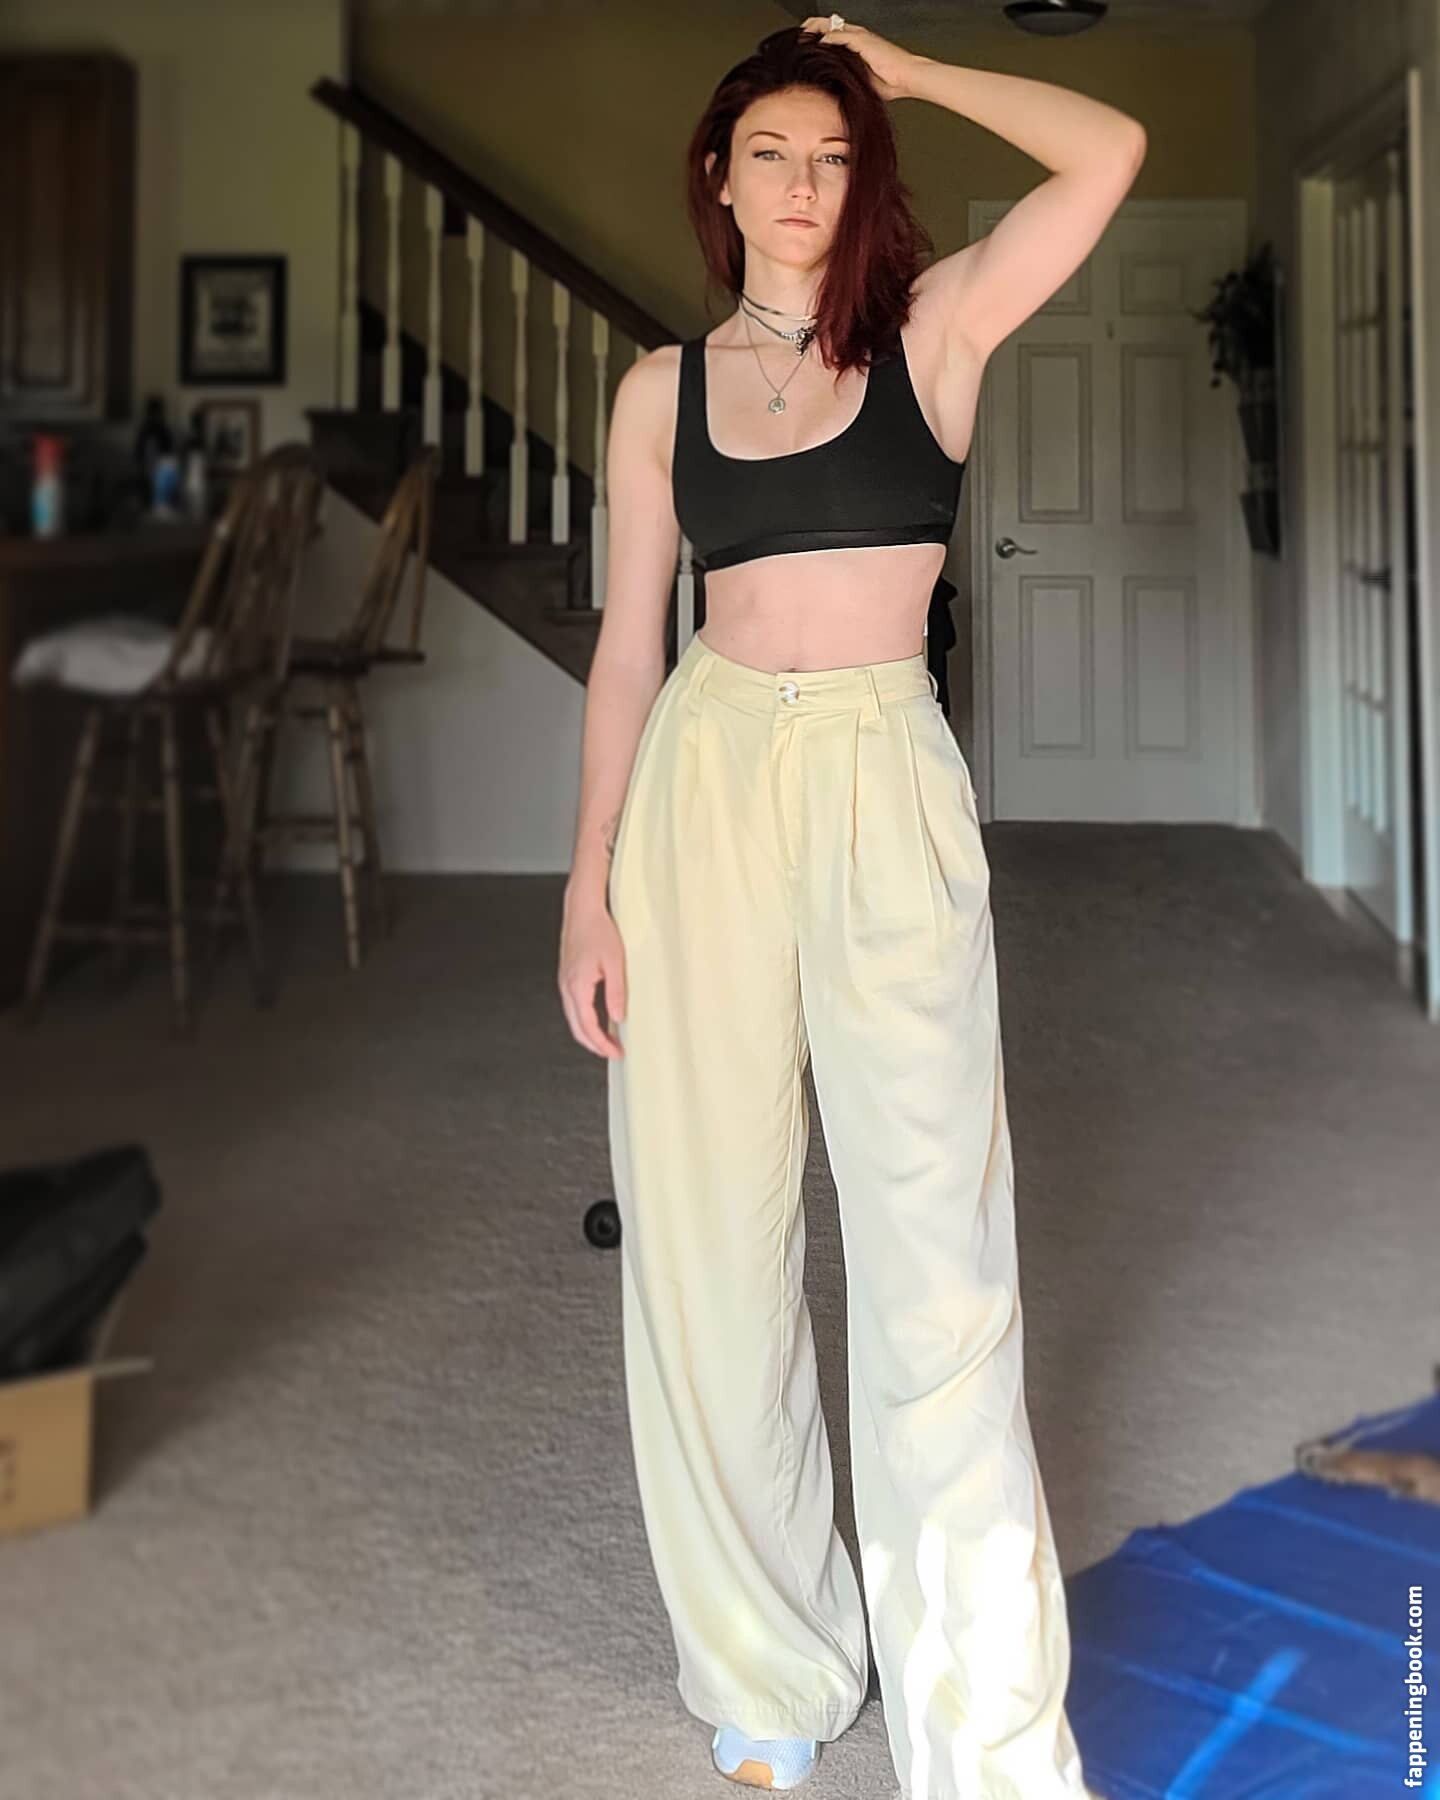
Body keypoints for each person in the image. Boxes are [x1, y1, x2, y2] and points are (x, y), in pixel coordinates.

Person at [558, 16, 1144, 1798]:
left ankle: (982, 1728)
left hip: (886, 772)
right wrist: (589, 882)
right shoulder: (657, 393)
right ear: (719, 180)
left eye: (832, 155)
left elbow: (1107, 152)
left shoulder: (935, 331)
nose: (804, 185)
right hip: (708, 784)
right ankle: (772, 1660)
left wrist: (917, 72)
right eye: (773, 155)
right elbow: (626, 650)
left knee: (934, 1254)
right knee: (707, 1239)